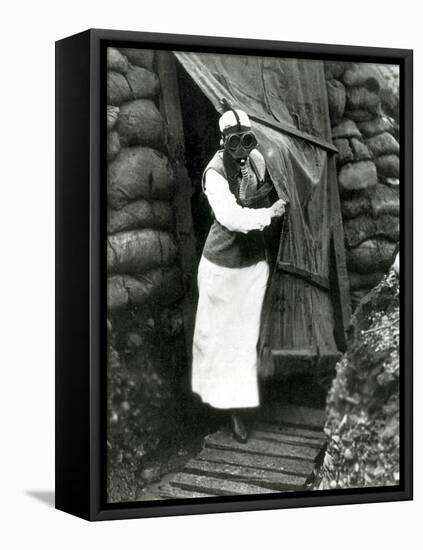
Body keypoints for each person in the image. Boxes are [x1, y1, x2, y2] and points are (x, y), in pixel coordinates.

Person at [191, 105, 287, 442]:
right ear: (223, 142)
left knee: (249, 339)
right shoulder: (214, 174)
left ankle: (252, 403)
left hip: (253, 265)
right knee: (223, 342)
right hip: (223, 269)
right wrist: (270, 214)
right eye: (234, 143)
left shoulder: (258, 160)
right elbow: (231, 218)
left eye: (247, 141)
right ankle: (230, 413)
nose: (242, 151)